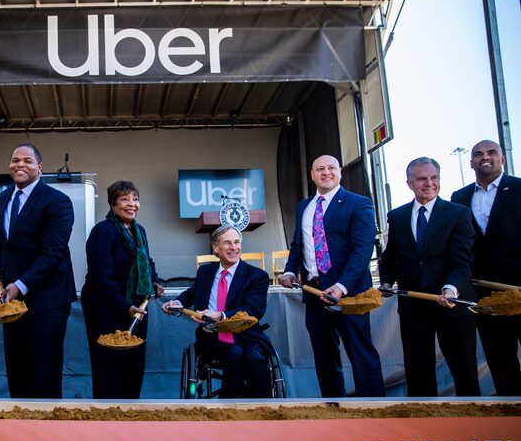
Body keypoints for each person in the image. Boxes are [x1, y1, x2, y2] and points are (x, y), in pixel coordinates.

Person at [280, 154, 385, 398]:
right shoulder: (303, 207)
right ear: (312, 175)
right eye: (320, 169)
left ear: (340, 172)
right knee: (324, 356)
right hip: (314, 293)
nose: (325, 172)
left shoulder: (359, 203)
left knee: (361, 353)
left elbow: (362, 251)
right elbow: (299, 244)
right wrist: (289, 269)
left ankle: (375, 408)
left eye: (331, 168)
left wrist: (341, 286)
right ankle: (333, 406)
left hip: (348, 296)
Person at [380, 157, 480, 397]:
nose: (429, 183)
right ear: (409, 183)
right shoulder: (398, 217)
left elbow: (462, 259)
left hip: (452, 303)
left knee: (464, 369)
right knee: (418, 370)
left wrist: (450, 288)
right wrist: (386, 280)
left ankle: (472, 421)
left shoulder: (458, 214)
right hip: (414, 305)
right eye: (422, 179)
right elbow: (391, 255)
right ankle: (423, 424)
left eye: (434, 178)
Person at [0, 143, 76, 399]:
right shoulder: (4, 197)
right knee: (17, 366)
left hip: (49, 298)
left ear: (39, 167)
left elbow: (53, 252)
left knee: (44, 369)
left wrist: (21, 284)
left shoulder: (58, 201)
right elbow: (1, 235)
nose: (20, 165)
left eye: (27, 160)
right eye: (15, 160)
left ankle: (46, 431)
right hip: (13, 300)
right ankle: (20, 425)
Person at [162, 225, 273, 398]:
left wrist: (222, 315)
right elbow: (193, 292)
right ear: (216, 248)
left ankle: (262, 407)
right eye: (227, 243)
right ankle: (230, 407)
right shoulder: (206, 271)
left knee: (253, 357)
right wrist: (177, 302)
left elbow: (254, 309)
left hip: (246, 335)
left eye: (237, 242)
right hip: (212, 335)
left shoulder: (257, 276)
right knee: (234, 353)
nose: (234, 247)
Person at [81, 181, 165, 399]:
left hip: (137, 304)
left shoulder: (140, 231)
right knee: (110, 366)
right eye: (125, 199)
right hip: (105, 306)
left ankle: (130, 415)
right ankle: (108, 419)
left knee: (134, 363)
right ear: (112, 204)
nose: (132, 204)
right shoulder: (102, 232)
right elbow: (101, 278)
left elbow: (147, 261)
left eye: (135, 199)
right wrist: (126, 306)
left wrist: (154, 282)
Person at [451, 140, 520, 395]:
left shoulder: (519, 189)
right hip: (484, 293)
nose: (485, 158)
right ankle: (510, 415)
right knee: (500, 357)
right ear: (471, 163)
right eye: (478, 154)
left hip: (518, 288)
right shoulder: (460, 197)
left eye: (491, 153)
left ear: (502, 158)